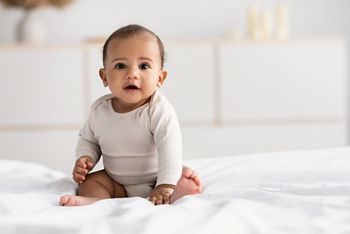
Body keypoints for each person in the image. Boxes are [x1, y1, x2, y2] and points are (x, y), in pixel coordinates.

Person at [59, 24, 202, 206]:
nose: (132, 74)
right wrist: (86, 158)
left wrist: (165, 184)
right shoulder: (99, 111)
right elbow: (88, 139)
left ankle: (170, 185)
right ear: (104, 77)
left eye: (144, 66)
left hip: (155, 178)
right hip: (116, 182)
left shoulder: (158, 110)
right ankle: (96, 201)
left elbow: (170, 149)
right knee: (88, 183)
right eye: (120, 66)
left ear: (160, 78)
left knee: (185, 186)